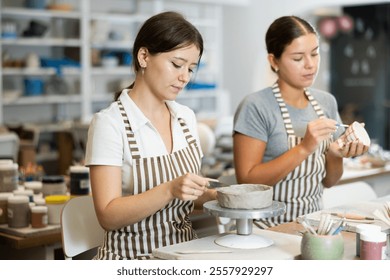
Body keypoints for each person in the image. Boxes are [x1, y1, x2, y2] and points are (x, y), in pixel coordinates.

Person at [85, 11, 216, 260]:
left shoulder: (185, 118)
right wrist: (169, 189)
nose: (185, 77)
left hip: (184, 255)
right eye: (177, 64)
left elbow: (189, 195)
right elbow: (108, 215)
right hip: (130, 260)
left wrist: (219, 197)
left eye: (191, 68)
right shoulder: (109, 124)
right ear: (144, 56)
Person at [233, 16, 369, 228]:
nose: (310, 65)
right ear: (274, 61)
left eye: (315, 54)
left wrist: (335, 155)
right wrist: (304, 147)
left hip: (313, 227)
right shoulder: (256, 106)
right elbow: (247, 181)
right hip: (265, 229)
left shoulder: (326, 102)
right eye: (298, 58)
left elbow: (329, 182)